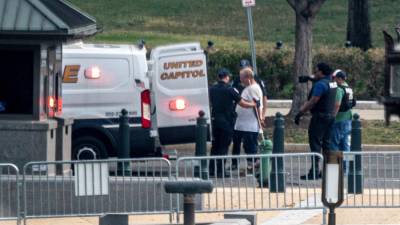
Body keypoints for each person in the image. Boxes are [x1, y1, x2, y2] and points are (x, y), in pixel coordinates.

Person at [209, 68, 256, 178]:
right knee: (224, 147)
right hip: (226, 121)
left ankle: (211, 169)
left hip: (215, 120)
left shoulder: (212, 89)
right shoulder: (230, 89)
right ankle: (220, 171)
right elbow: (242, 103)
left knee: (215, 146)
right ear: (227, 77)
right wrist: (253, 104)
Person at [295, 62, 337, 180]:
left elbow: (314, 100)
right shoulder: (332, 83)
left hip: (320, 117)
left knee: (315, 144)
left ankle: (314, 171)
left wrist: (300, 112)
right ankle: (326, 171)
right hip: (330, 117)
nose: (314, 73)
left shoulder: (320, 85)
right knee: (327, 145)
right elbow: (322, 83)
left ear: (321, 72)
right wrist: (309, 78)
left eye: (316, 71)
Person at [231, 59, 268, 169]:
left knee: (250, 146)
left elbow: (256, 106)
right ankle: (239, 164)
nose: (240, 81)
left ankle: (253, 165)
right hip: (241, 123)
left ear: (248, 78)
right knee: (238, 144)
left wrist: (260, 119)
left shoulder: (254, 88)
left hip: (249, 124)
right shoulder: (248, 87)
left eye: (242, 79)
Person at [330, 69, 355, 174]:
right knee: (345, 144)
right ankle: (346, 168)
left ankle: (335, 168)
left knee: (334, 143)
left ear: (339, 79)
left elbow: (337, 105)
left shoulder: (339, 89)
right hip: (348, 119)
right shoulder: (349, 88)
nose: (334, 81)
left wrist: (332, 117)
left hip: (339, 119)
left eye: (335, 79)